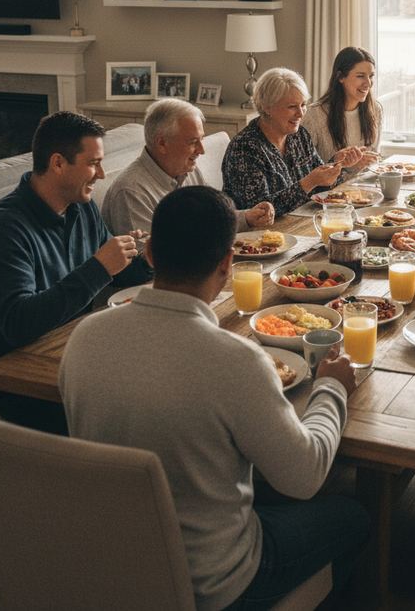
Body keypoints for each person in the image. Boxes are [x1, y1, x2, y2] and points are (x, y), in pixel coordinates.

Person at [60, 186, 369, 610]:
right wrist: (331, 387)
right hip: (216, 581)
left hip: (111, 565)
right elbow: (305, 476)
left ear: (149, 253)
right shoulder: (235, 360)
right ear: (227, 262)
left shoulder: (84, 337)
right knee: (353, 516)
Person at [0, 112, 152, 433]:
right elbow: (19, 324)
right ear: (57, 163)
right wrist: (99, 267)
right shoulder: (4, 230)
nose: (101, 174)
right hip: (25, 382)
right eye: (93, 163)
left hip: (76, 353)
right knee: (149, 408)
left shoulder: (82, 207)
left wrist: (149, 258)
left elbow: (118, 274)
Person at [102, 98, 274, 236]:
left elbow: (212, 218)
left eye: (201, 139)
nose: (202, 150)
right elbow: (149, 260)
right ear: (162, 143)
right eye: (193, 142)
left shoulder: (187, 170)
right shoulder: (131, 192)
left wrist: (248, 217)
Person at [222, 68, 364, 217]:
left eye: (303, 105)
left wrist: (337, 164)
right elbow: (260, 212)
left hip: (298, 220)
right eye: (292, 106)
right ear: (267, 107)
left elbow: (320, 188)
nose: (300, 113)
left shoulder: (299, 135)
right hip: (263, 230)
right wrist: (309, 182)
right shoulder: (245, 148)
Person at [302, 47, 381, 170]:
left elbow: (374, 158)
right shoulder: (314, 115)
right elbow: (304, 170)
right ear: (340, 77)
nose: (368, 83)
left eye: (371, 76)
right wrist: (345, 166)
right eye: (360, 76)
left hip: (367, 181)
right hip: (332, 183)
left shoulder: (375, 109)